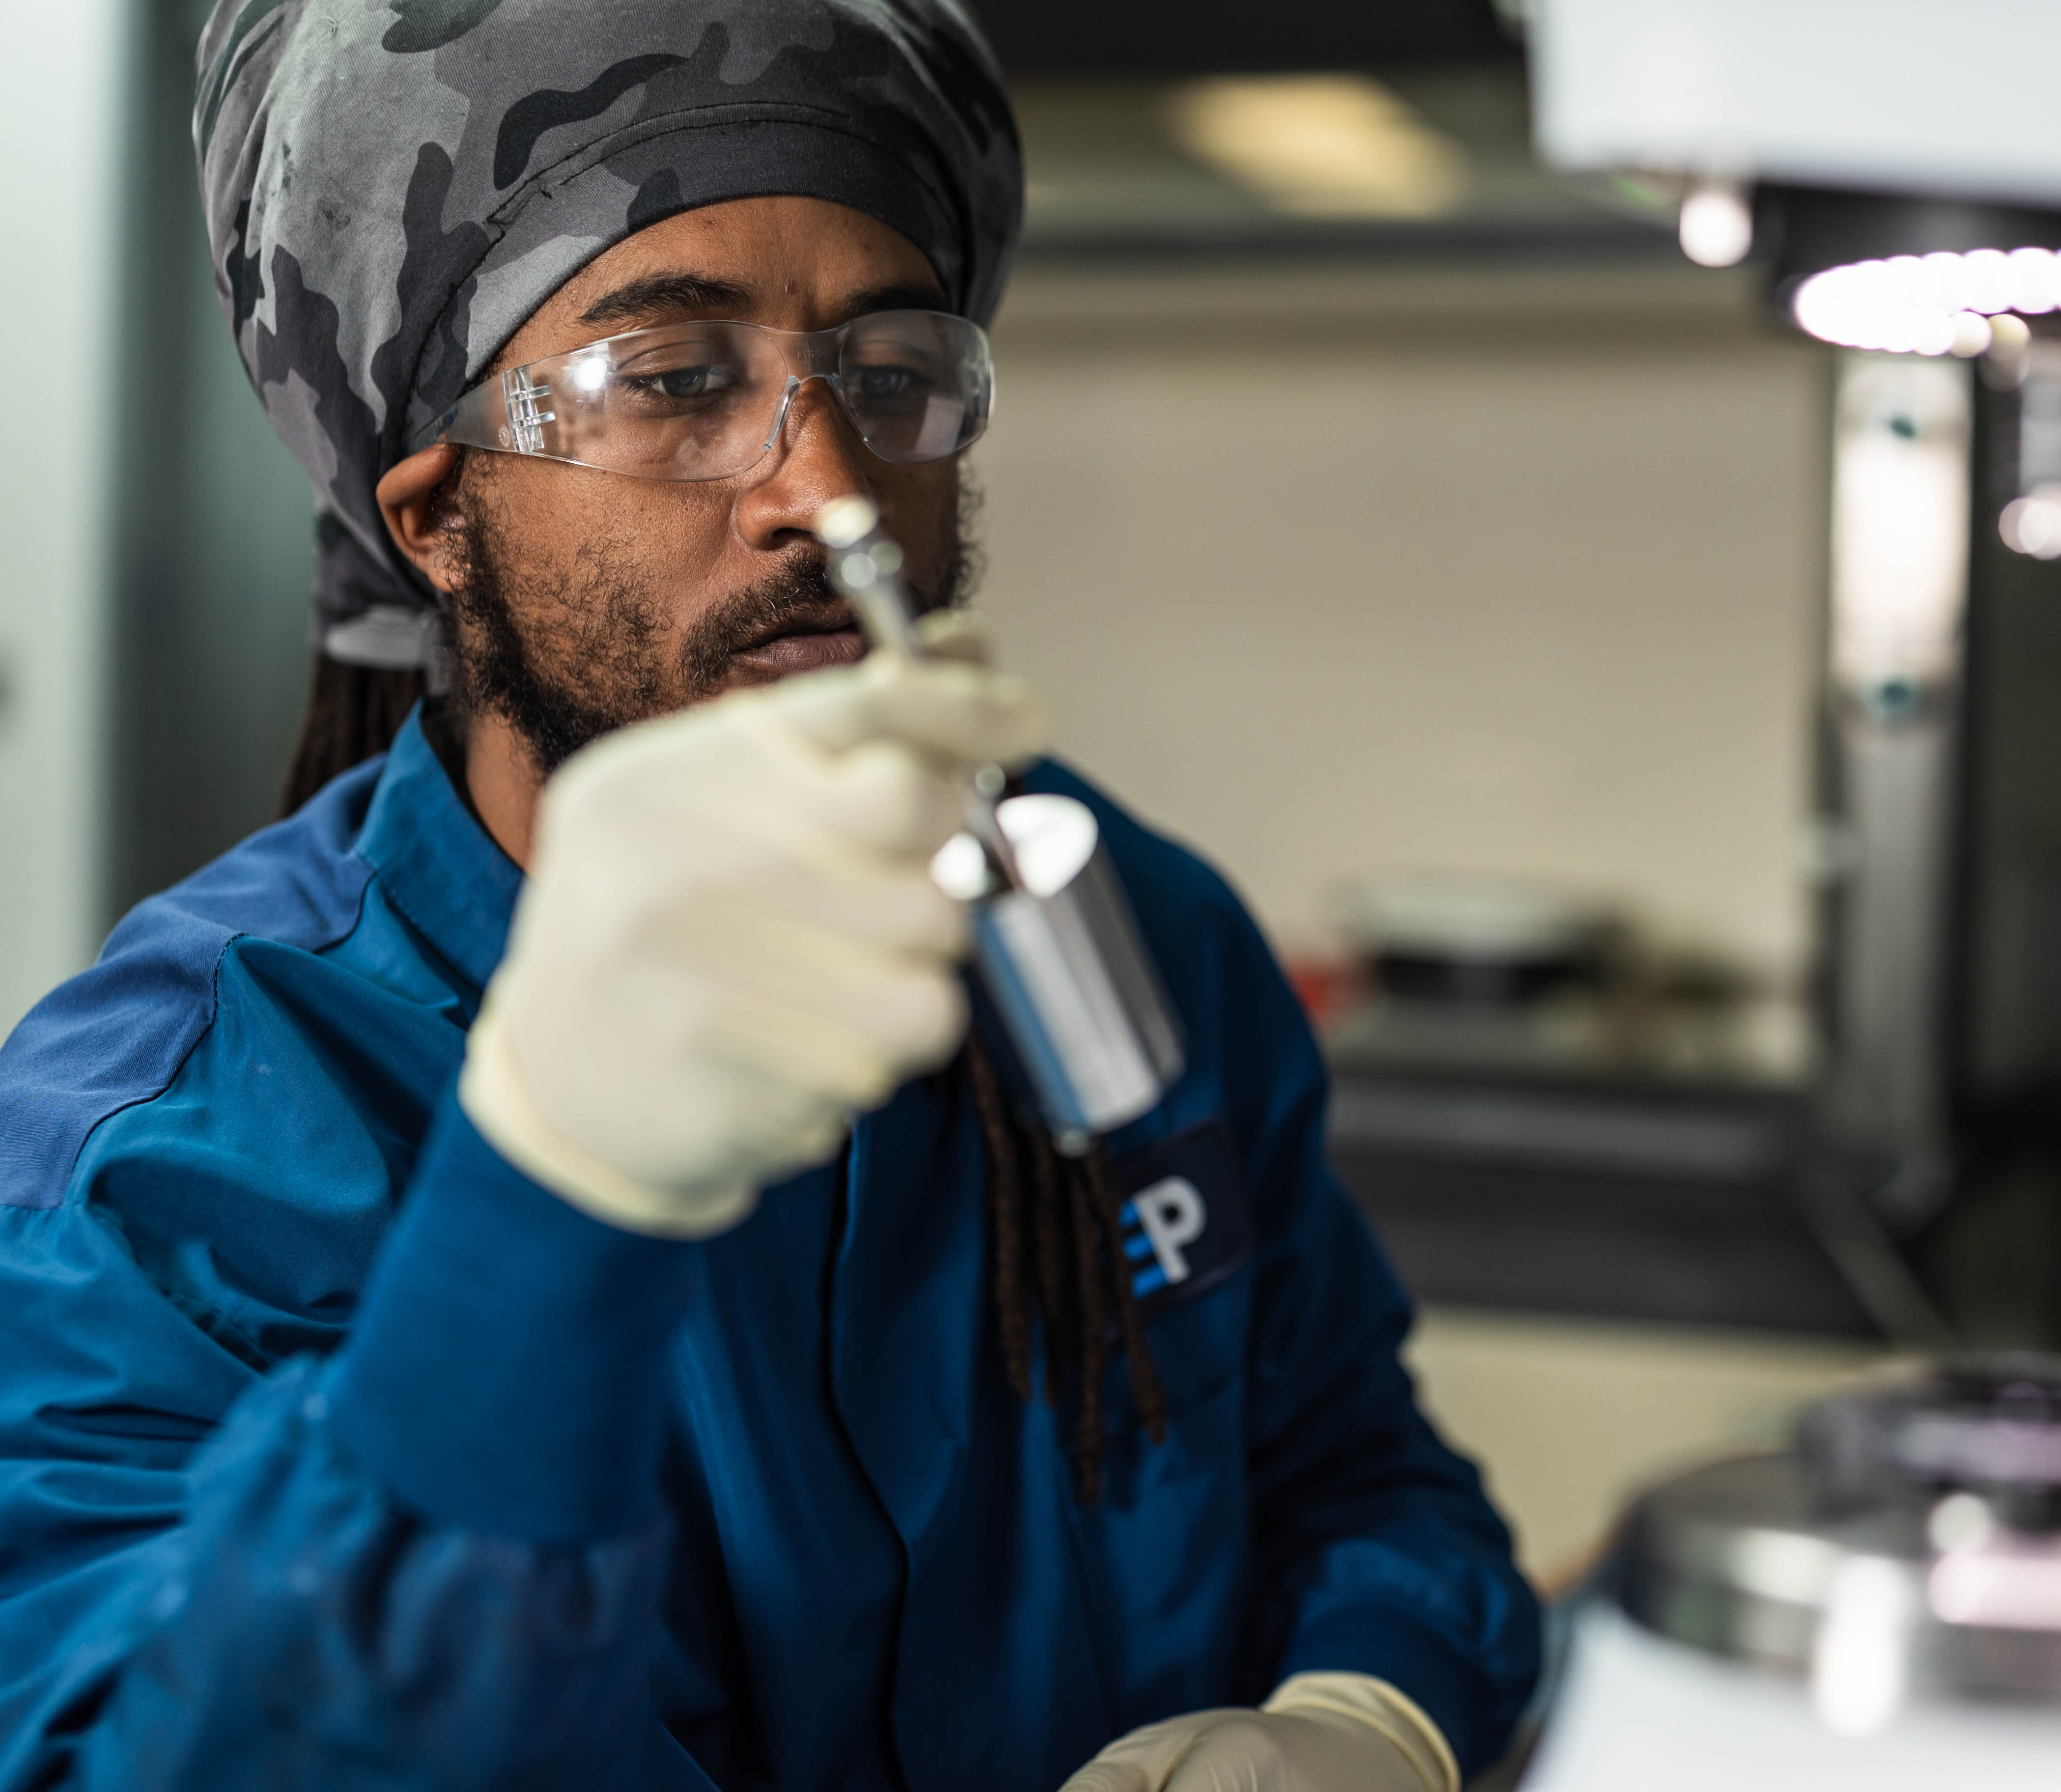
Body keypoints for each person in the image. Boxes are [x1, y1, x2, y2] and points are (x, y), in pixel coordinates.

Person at [0, 3, 1541, 1788]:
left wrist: (1370, 1708)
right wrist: (550, 1205)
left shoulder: (1136, 931)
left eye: (889, 372)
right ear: (437, 519)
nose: (830, 491)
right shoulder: (167, 1155)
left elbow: (1355, 1466)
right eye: (673, 382)